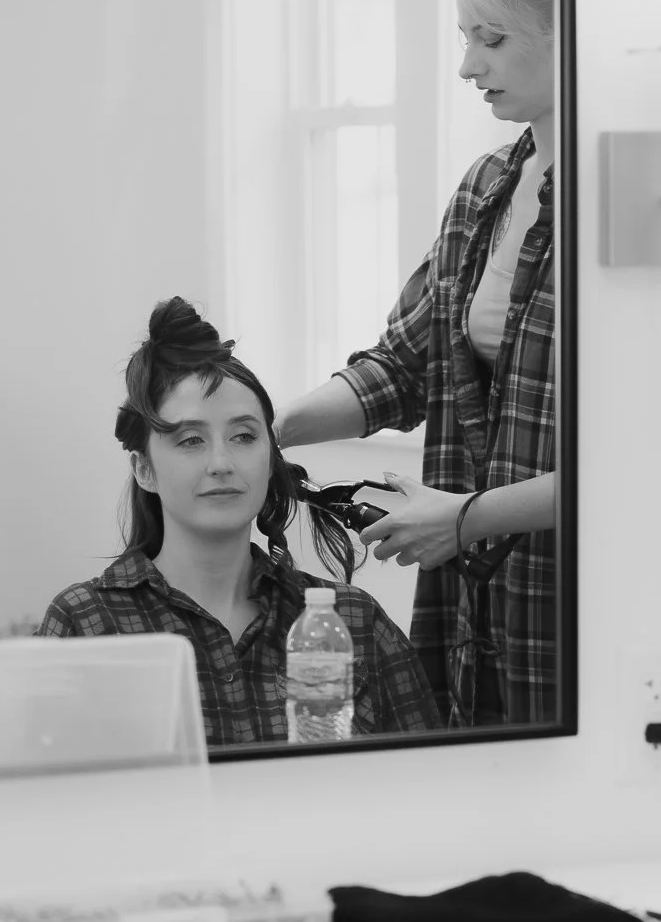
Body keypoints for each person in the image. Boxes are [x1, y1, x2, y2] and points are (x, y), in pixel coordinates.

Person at [273, 0, 558, 728]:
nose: (469, 65)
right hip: (478, 610)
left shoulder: (629, 202)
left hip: (571, 597)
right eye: (467, 37)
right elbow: (406, 364)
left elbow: (635, 465)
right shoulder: (485, 190)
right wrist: (272, 425)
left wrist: (466, 519)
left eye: (491, 38)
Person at [37, 297, 439, 748]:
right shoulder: (86, 624)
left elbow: (432, 791)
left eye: (244, 436)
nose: (221, 462)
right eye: (190, 440)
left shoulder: (352, 621)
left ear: (270, 458)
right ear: (143, 469)